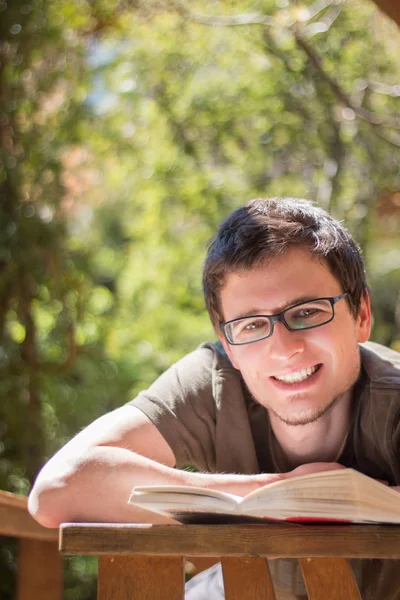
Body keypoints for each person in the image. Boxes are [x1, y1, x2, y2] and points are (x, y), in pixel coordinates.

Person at [28, 197, 400, 599]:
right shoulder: (212, 378)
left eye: (307, 312)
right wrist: (282, 493)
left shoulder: (392, 399)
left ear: (361, 314)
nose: (283, 348)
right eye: (252, 324)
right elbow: (58, 488)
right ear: (229, 344)